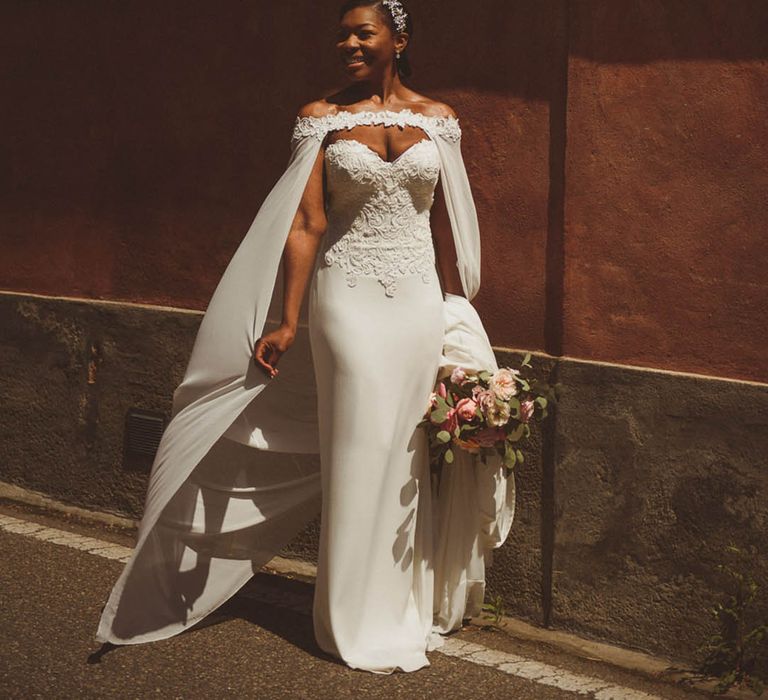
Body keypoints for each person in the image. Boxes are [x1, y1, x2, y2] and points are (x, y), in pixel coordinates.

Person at [95, 0, 515, 675]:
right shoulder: (320, 118)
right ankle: (349, 615)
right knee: (356, 445)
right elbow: (305, 225)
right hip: (345, 298)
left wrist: (453, 315)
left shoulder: (438, 120)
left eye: (362, 32)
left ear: (398, 40)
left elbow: (443, 224)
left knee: (404, 448)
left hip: (414, 304)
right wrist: (287, 320)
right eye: (342, 34)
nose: (346, 42)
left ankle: (398, 603)